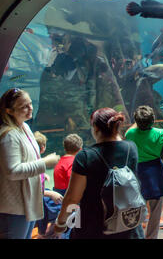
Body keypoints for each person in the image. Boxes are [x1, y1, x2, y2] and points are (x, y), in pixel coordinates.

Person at [54, 107, 144, 239]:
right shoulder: (132, 148)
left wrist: (61, 223)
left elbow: (72, 198)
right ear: (116, 126)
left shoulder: (85, 156)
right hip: (128, 224)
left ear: (95, 128)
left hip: (94, 228)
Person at [0, 88, 60, 239]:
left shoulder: (24, 127)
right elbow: (12, 171)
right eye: (23, 107)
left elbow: (28, 162)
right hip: (14, 208)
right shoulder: (9, 135)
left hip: (27, 205)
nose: (30, 108)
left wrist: (40, 174)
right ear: (9, 111)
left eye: (30, 103)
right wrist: (44, 163)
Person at [125, 105, 163, 239]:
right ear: (153, 120)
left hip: (138, 172)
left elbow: (128, 131)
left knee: (138, 208)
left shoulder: (131, 134)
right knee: (156, 211)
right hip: (156, 171)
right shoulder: (159, 133)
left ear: (137, 121)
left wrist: (137, 121)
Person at [33, 131, 67, 239]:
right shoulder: (38, 161)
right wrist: (51, 193)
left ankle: (47, 232)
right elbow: (33, 188)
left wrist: (44, 175)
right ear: (43, 147)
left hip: (40, 193)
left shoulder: (34, 161)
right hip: (38, 196)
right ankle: (45, 234)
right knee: (59, 208)